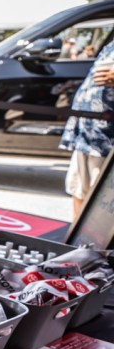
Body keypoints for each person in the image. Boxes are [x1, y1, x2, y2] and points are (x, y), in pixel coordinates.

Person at [59, 40, 114, 217]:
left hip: (107, 140)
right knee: (79, 190)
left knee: (102, 203)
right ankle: (77, 234)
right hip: (88, 132)